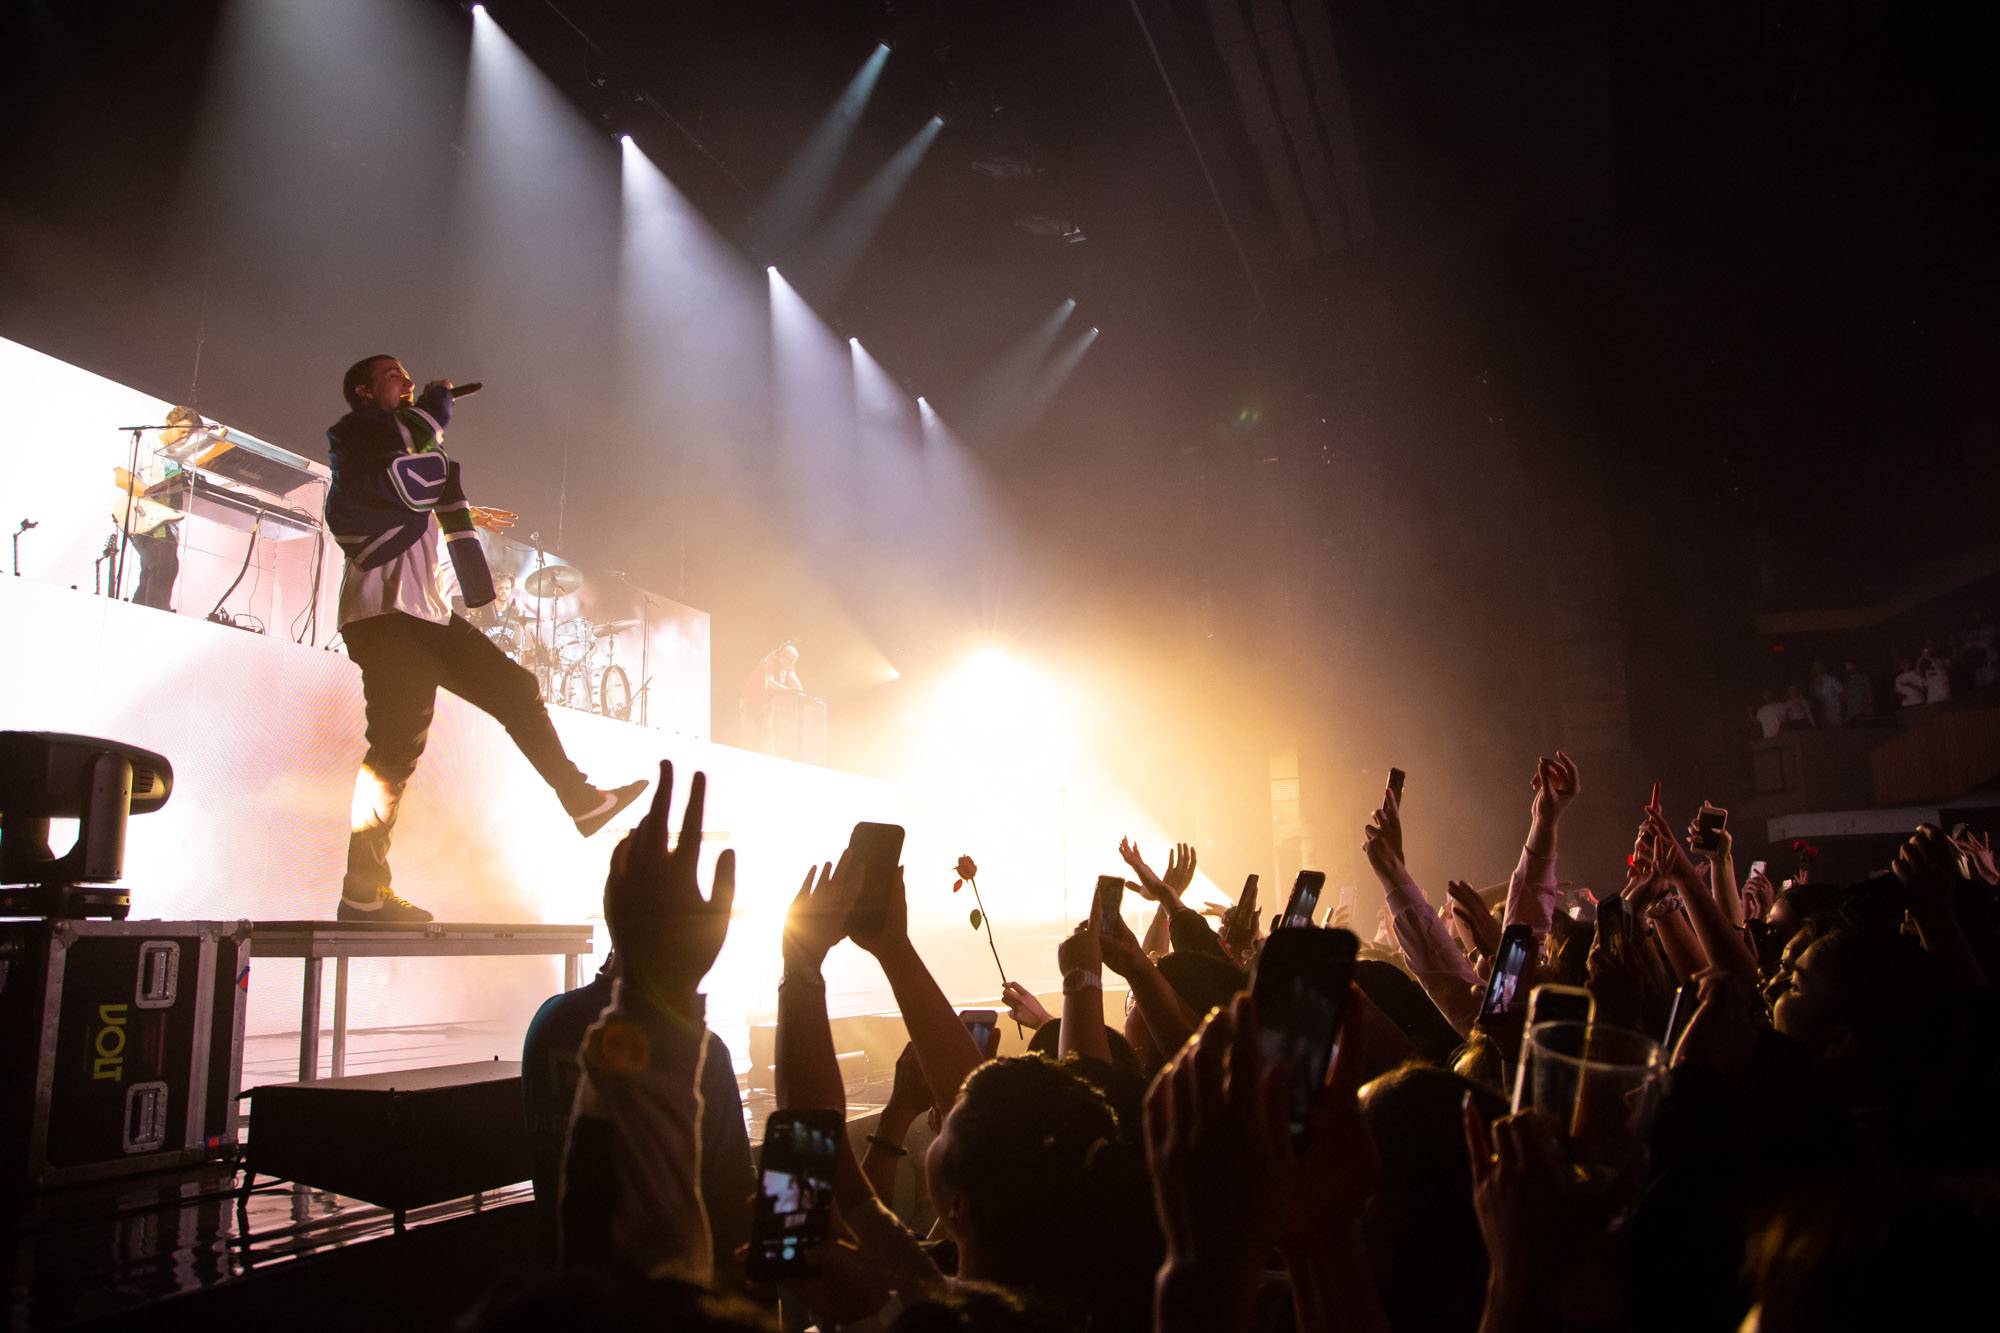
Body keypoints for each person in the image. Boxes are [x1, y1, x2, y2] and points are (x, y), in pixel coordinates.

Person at [325, 354, 646, 922]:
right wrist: (434, 403)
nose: (406, 380)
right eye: (393, 375)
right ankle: (361, 892)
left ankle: (584, 802)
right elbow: (398, 470)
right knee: (395, 752)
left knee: (516, 688)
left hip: (424, 617)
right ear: (365, 391)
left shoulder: (400, 447)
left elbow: (411, 486)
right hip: (383, 617)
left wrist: (464, 510)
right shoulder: (360, 433)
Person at [110, 403, 206, 611]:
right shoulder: (148, 442)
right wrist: (150, 494)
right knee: (163, 565)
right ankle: (156, 615)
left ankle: (139, 614)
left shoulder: (177, 457)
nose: (185, 438)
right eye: (182, 431)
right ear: (169, 423)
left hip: (166, 522)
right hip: (147, 517)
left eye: (189, 435)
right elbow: (121, 477)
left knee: (155, 570)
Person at [737, 641, 804, 752]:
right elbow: (770, 683)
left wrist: (802, 693)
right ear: (782, 656)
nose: (791, 665)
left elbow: (793, 678)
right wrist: (790, 690)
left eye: (793, 662)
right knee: (749, 736)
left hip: (766, 704)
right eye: (790, 661)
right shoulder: (767, 662)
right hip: (750, 702)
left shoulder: (789, 665)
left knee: (767, 736)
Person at [1810, 660, 1844, 729]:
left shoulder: (1832, 679)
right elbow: (1816, 697)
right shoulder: (1814, 682)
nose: (1817, 668)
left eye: (1819, 666)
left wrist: (1841, 708)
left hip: (1835, 711)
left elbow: (1841, 693)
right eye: (1815, 667)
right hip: (1823, 712)